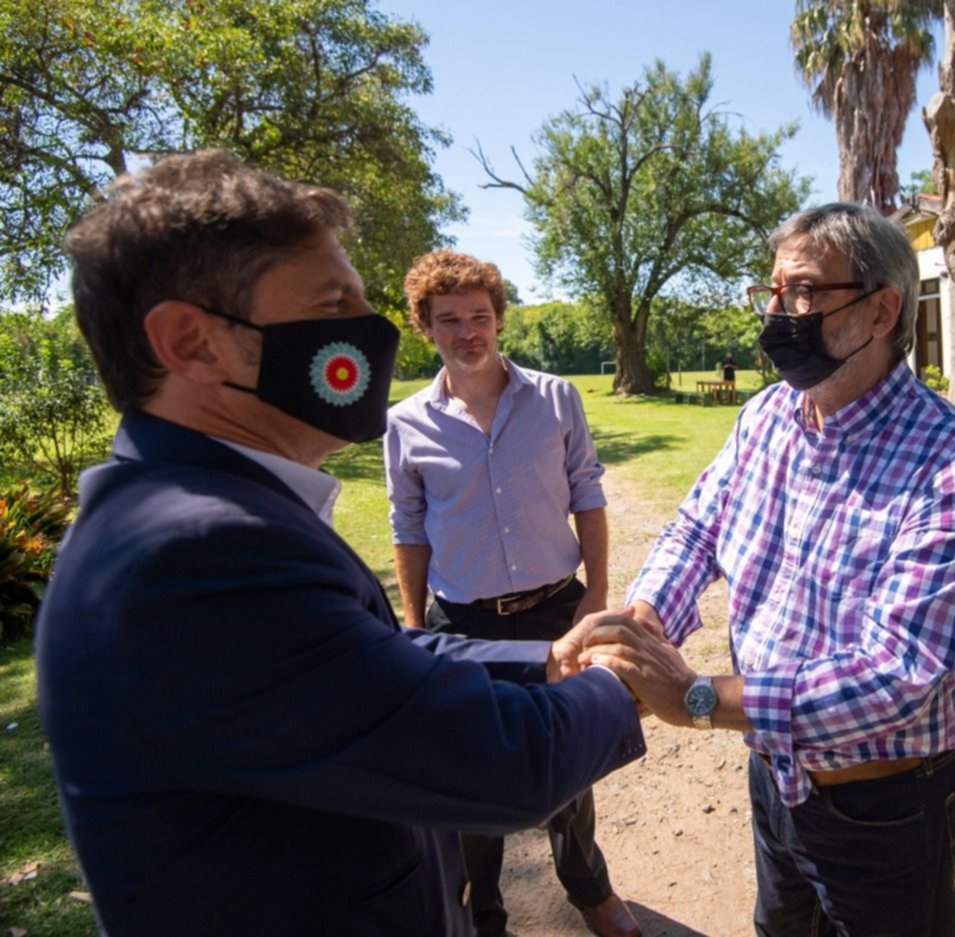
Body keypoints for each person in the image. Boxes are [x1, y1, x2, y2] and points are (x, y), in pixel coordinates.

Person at [35, 150, 645, 937]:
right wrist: (623, 678)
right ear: (191, 341)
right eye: (333, 305)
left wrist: (549, 658)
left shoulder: (210, 513)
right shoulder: (195, 557)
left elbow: (366, 658)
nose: (370, 334)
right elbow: (501, 765)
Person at [582, 202, 955, 936]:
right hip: (775, 772)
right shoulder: (768, 416)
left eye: (806, 292)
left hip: (887, 801)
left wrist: (694, 696)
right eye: (774, 292)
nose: (781, 313)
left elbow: (899, 672)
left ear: (882, 311)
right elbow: (696, 529)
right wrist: (646, 618)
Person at [384, 249, 638, 937]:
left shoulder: (555, 397)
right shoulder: (407, 423)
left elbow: (587, 491)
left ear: (498, 319)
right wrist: (414, 626)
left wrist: (596, 597)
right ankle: (484, 911)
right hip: (462, 623)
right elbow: (408, 526)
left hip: (557, 610)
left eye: (479, 316)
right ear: (426, 328)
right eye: (449, 320)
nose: (468, 332)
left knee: (566, 768)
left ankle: (592, 892)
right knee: (469, 771)